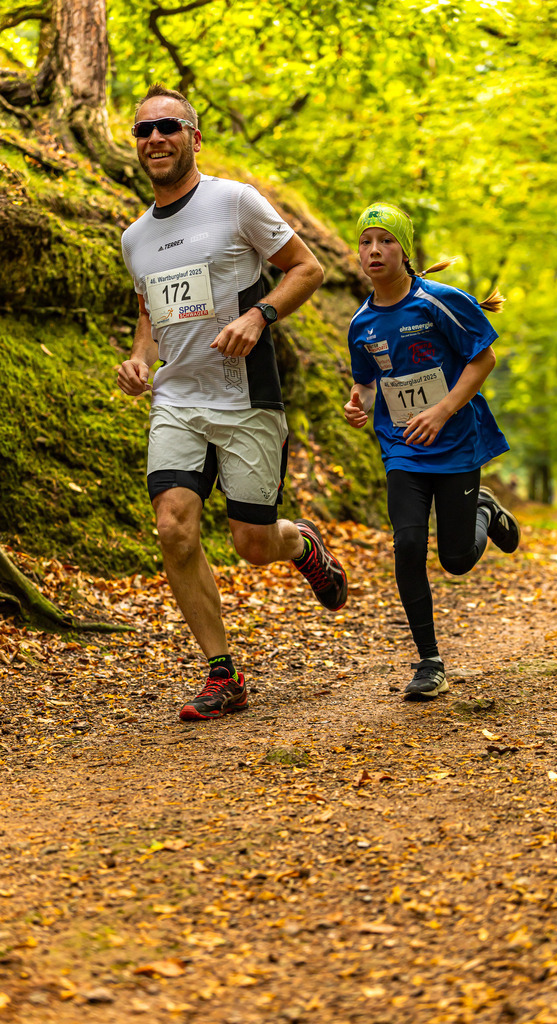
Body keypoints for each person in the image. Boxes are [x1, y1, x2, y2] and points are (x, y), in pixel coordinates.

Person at [117, 83, 347, 722]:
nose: (155, 138)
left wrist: (258, 316)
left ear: (194, 137)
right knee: (173, 526)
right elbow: (149, 312)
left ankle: (301, 543)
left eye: (168, 126)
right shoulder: (134, 237)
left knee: (251, 543)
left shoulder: (235, 201)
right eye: (143, 130)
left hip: (246, 395)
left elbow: (307, 269)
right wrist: (140, 359)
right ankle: (223, 672)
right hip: (177, 398)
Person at [344, 202, 519, 701]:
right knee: (407, 544)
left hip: (456, 441)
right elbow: (367, 382)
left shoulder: (440, 301)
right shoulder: (361, 323)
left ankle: (484, 508)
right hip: (403, 447)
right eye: (366, 242)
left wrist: (442, 411)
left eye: (387, 241)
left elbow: (483, 359)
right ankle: (429, 661)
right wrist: (358, 405)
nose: (375, 250)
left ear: (405, 251)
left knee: (457, 560)